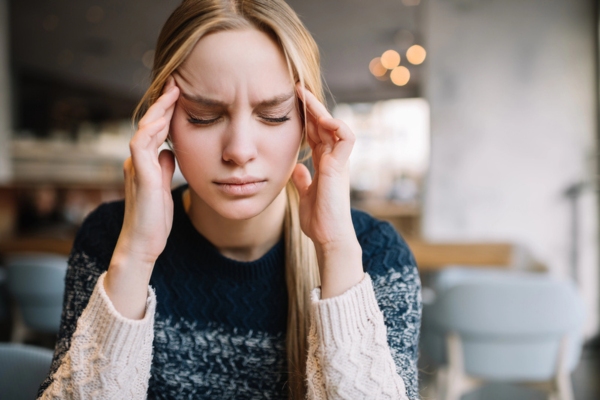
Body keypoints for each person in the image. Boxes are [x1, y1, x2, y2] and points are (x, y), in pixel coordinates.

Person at [37, 0, 421, 399]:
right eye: (204, 115)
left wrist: (337, 250)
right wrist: (135, 257)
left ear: (310, 123)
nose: (239, 150)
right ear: (163, 122)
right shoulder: (110, 239)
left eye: (273, 115)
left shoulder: (376, 255)